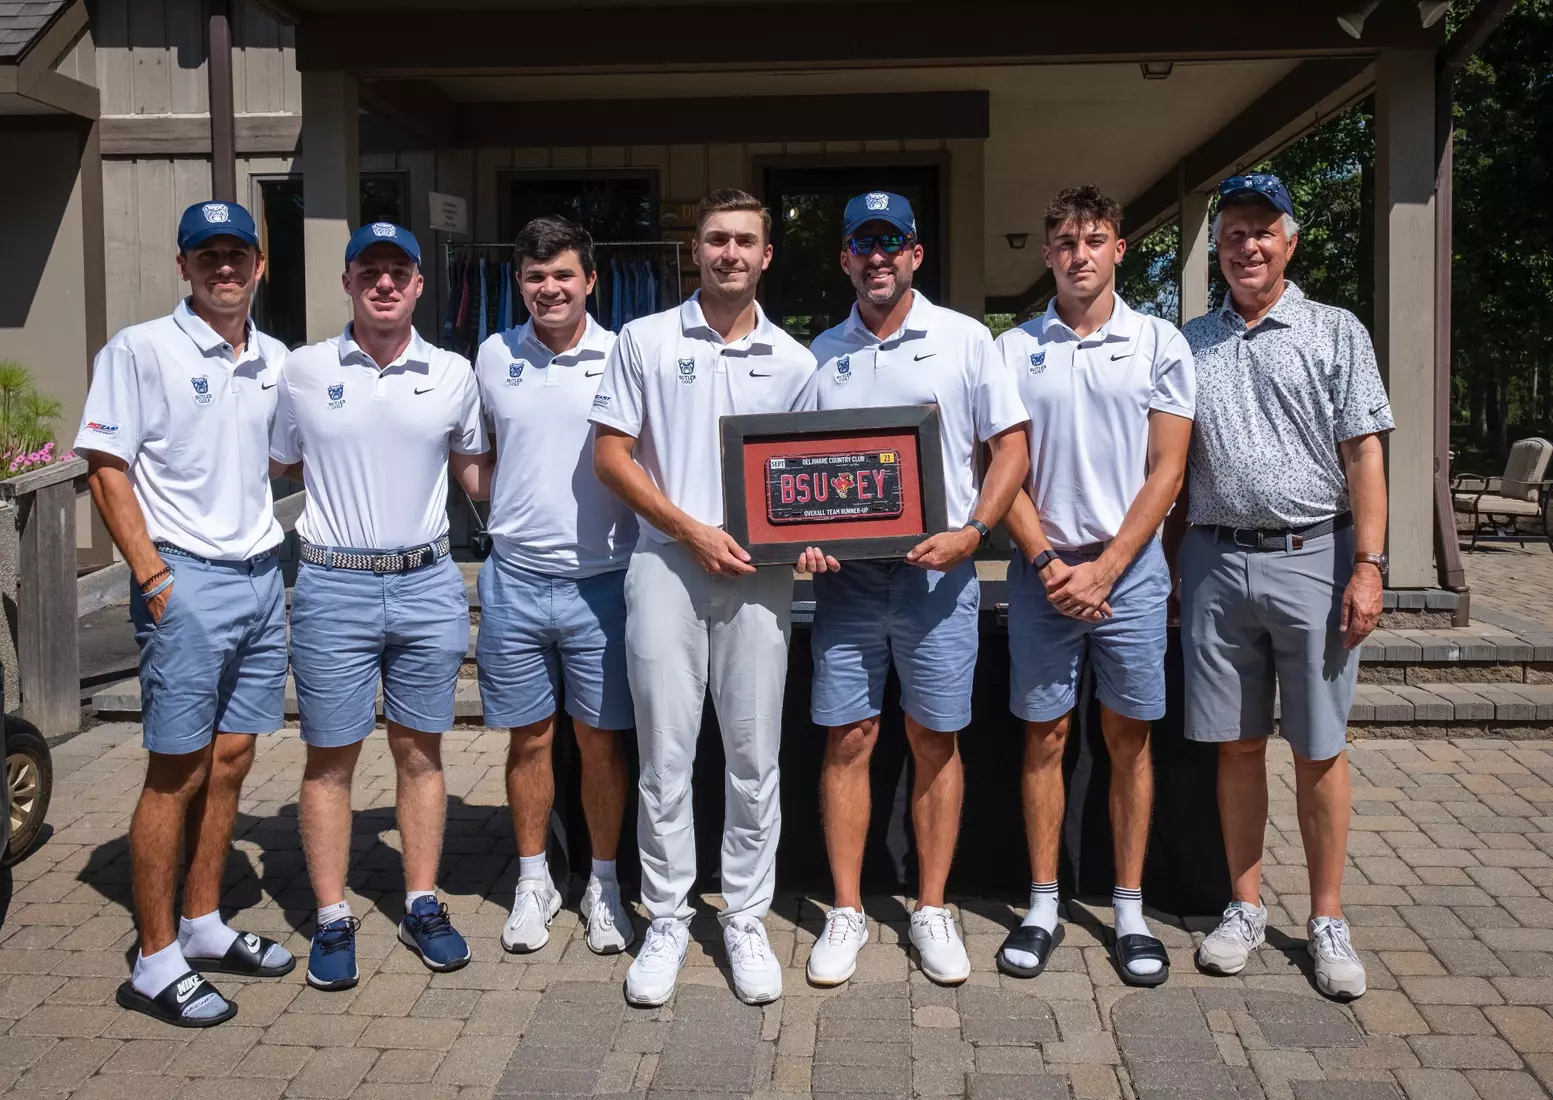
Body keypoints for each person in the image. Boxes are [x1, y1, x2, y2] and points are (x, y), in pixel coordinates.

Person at [797, 191, 1030, 988]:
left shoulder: (965, 339)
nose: (877, 258)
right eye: (862, 244)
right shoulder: (819, 354)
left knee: (935, 739)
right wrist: (803, 541)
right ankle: (847, 909)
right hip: (848, 590)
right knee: (848, 738)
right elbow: (790, 475)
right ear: (844, 260)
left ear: (914, 255)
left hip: (939, 580)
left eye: (890, 243)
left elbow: (1009, 450)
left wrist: (973, 533)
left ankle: (929, 908)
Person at [591, 189, 817, 1007]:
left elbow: (804, 481)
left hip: (760, 578)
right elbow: (612, 457)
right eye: (716, 239)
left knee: (755, 757)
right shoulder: (642, 340)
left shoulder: (795, 362)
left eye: (744, 242)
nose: (729, 253)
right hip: (665, 567)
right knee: (665, 757)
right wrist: (689, 530)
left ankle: (747, 915)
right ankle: (666, 916)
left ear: (765, 257)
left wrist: (811, 537)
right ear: (696, 251)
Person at [78, 200, 295, 1027]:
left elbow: (280, 457)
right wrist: (152, 575)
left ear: (259, 265)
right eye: (208, 255)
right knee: (176, 769)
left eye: (237, 253)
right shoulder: (140, 349)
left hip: (259, 574)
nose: (224, 268)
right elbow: (105, 466)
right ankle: (154, 958)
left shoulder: (272, 359)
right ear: (184, 266)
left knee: (233, 756)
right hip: (187, 582)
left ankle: (202, 923)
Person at [1178, 174, 1389, 1002]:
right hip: (1214, 561)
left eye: (1262, 231)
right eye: (1232, 232)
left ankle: (1327, 916)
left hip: (1316, 556)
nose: (1247, 246)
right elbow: (1170, 465)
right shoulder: (1187, 341)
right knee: (1234, 745)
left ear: (1289, 242)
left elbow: (1364, 453)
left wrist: (1369, 566)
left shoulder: (1335, 331)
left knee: (1317, 748)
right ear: (1218, 247)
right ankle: (1244, 904)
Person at [270, 221, 489, 991]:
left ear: (421, 283)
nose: (386, 283)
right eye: (371, 270)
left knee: (421, 751)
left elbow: (476, 475)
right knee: (330, 756)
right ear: (348, 280)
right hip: (332, 582)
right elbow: (272, 460)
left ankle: (421, 901)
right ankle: (332, 917)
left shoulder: (453, 372)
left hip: (429, 581)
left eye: (400, 271)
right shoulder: (302, 371)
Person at [992, 186, 1194, 986]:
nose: (1079, 254)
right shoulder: (1010, 349)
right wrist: (1046, 563)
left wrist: (1107, 567)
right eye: (1065, 242)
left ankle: (1130, 907)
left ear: (1118, 250)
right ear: (1047, 255)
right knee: (1043, 737)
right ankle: (1042, 904)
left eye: (1095, 239)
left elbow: (1168, 468)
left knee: (1127, 740)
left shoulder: (1157, 343)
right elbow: (997, 471)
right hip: (1042, 568)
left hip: (1130, 572)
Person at [464, 217, 636, 956]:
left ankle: (602, 881)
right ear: (519, 284)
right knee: (528, 738)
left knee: (600, 743)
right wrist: (507, 511)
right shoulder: (493, 354)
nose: (549, 289)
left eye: (563, 275)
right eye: (534, 277)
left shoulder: (624, 354)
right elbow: (475, 456)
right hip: (516, 579)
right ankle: (533, 878)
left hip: (604, 580)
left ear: (589, 281)